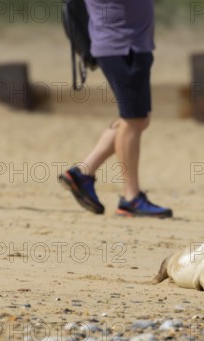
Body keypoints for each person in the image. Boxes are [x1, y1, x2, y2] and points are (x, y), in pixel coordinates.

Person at [59, 0, 173, 218]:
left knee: (138, 119)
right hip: (121, 45)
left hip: (130, 43)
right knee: (133, 120)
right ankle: (131, 198)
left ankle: (83, 172)